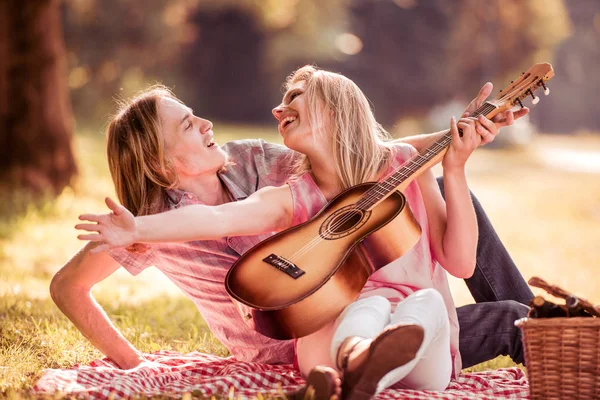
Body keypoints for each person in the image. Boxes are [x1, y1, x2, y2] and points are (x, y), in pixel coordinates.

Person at [75, 66, 530, 397]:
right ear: (159, 161)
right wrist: (139, 227)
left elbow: (383, 155)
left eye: (294, 98)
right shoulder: (288, 195)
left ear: (334, 109)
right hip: (317, 332)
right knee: (374, 303)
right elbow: (219, 219)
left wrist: (456, 152)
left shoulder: (259, 160)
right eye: (189, 125)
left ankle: (553, 336)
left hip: (394, 323)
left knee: (430, 296)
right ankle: (358, 363)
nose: (277, 108)